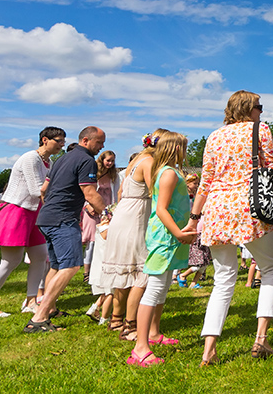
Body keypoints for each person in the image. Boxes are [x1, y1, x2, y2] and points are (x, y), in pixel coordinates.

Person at [187, 91, 273, 366]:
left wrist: (194, 217)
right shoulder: (260, 130)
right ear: (249, 109)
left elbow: (206, 181)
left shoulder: (214, 136)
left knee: (223, 279)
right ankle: (261, 339)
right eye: (259, 106)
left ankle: (209, 349)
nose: (261, 111)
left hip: (217, 210)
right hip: (250, 208)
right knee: (271, 268)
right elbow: (272, 169)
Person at [26, 126, 107, 332]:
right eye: (99, 142)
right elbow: (89, 192)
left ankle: (50, 309)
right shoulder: (86, 160)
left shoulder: (62, 158)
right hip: (63, 219)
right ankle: (39, 318)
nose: (102, 147)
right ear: (86, 140)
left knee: (56, 266)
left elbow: (44, 189)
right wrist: (107, 214)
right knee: (71, 266)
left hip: (47, 217)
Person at [127, 131, 197, 366]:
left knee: (163, 285)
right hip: (166, 237)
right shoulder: (168, 173)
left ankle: (154, 335)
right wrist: (178, 233)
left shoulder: (171, 171)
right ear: (176, 149)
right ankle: (140, 348)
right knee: (155, 288)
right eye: (184, 147)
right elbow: (161, 209)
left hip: (172, 236)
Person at [0, 128, 64, 318]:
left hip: (34, 213)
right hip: (16, 211)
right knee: (10, 261)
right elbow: (36, 190)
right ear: (44, 140)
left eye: (63, 142)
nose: (61, 145)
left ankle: (31, 301)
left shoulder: (48, 162)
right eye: (58, 140)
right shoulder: (30, 158)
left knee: (41, 257)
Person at [100, 130, 166, 340]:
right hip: (136, 218)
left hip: (124, 214)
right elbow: (154, 191)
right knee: (140, 271)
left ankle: (116, 319)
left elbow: (119, 194)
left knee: (125, 272)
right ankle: (131, 325)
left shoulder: (135, 161)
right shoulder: (148, 163)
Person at [82, 151, 119, 283]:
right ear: (102, 160)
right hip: (91, 210)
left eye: (112, 161)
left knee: (104, 240)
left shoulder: (114, 176)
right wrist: (88, 205)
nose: (110, 163)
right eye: (108, 160)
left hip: (107, 210)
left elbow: (116, 193)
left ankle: (101, 269)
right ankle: (86, 272)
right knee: (91, 241)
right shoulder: (93, 174)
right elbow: (86, 191)